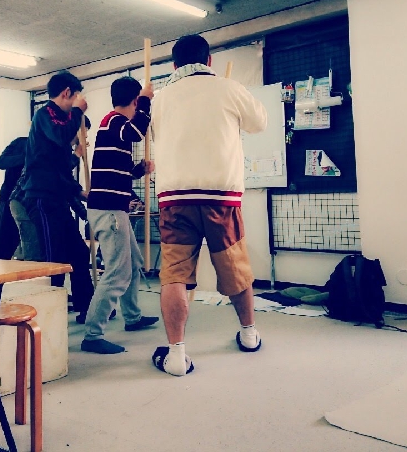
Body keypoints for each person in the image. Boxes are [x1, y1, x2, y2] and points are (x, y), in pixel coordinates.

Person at [150, 34, 267, 376]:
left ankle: (176, 355)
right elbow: (260, 123)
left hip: (175, 199)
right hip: (221, 197)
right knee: (236, 268)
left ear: (175, 65)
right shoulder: (229, 88)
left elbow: (155, 135)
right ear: (209, 61)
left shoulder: (160, 98)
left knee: (174, 274)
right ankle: (249, 335)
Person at [81, 76, 160, 354]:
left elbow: (118, 172)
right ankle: (92, 335)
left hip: (113, 208)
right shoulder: (114, 121)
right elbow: (137, 131)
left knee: (133, 263)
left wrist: (138, 170)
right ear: (135, 101)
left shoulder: (113, 127)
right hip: (109, 211)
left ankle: (132, 317)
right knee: (117, 271)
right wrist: (147, 100)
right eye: (139, 101)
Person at [20, 71, 95, 322]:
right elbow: (62, 135)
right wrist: (78, 111)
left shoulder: (60, 129)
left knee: (79, 253)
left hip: (56, 198)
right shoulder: (45, 115)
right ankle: (52, 315)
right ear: (67, 93)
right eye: (74, 98)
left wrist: (80, 192)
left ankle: (87, 307)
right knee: (55, 258)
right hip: (41, 198)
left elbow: (61, 171)